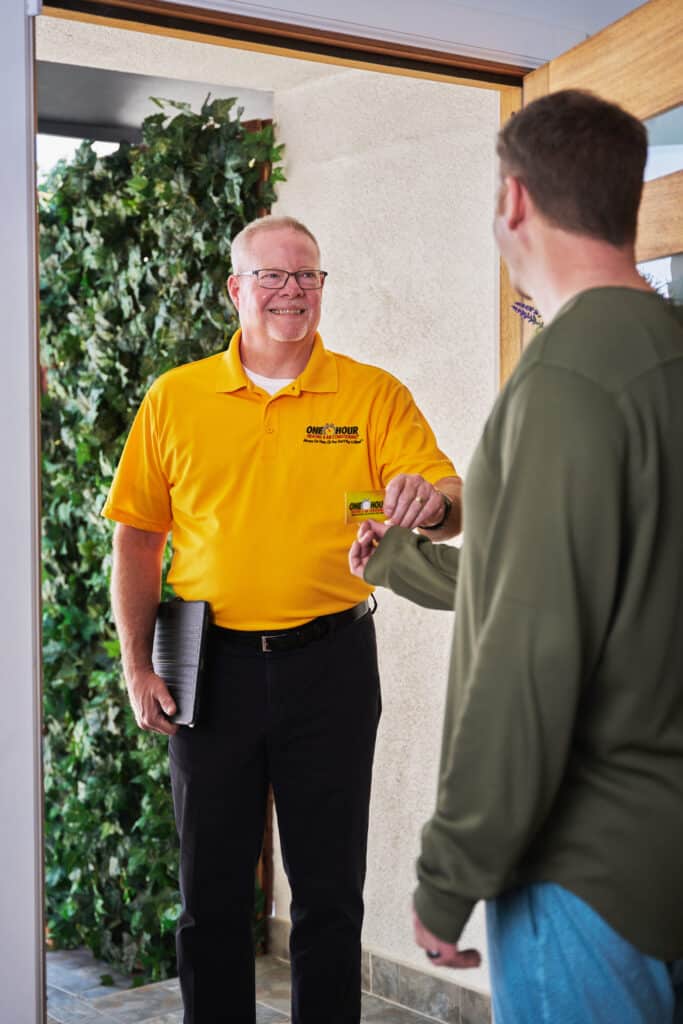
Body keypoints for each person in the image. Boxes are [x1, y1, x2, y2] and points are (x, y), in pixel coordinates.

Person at [349, 89, 683, 1022]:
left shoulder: (565, 380)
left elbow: (530, 652)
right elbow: (596, 585)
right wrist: (397, 564)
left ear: (513, 201)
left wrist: (449, 870)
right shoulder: (663, 354)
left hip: (586, 882)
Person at [102, 214, 461, 1024]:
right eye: (271, 275)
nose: (290, 291)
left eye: (306, 276)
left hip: (330, 666)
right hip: (207, 666)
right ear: (236, 289)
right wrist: (137, 663)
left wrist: (428, 503)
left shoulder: (371, 394)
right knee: (212, 896)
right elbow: (137, 537)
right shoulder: (176, 397)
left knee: (330, 895)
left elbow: (446, 504)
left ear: (322, 289)